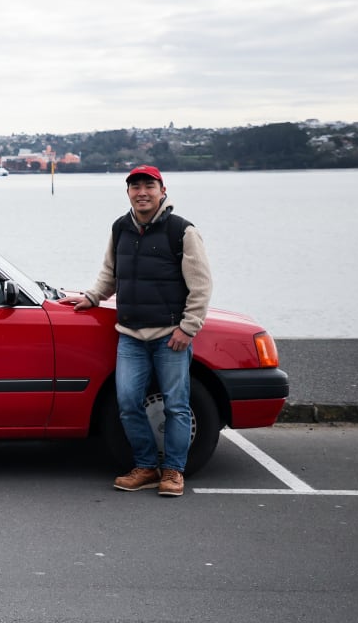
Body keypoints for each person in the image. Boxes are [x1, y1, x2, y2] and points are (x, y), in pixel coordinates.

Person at [69, 165, 212, 497]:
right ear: (128, 193)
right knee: (128, 403)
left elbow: (201, 286)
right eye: (135, 187)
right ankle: (146, 466)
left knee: (177, 405)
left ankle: (174, 471)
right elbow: (110, 273)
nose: (142, 192)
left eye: (149, 185)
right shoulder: (120, 228)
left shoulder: (183, 231)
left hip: (170, 337)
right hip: (131, 336)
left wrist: (188, 329)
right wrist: (91, 297)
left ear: (163, 191)